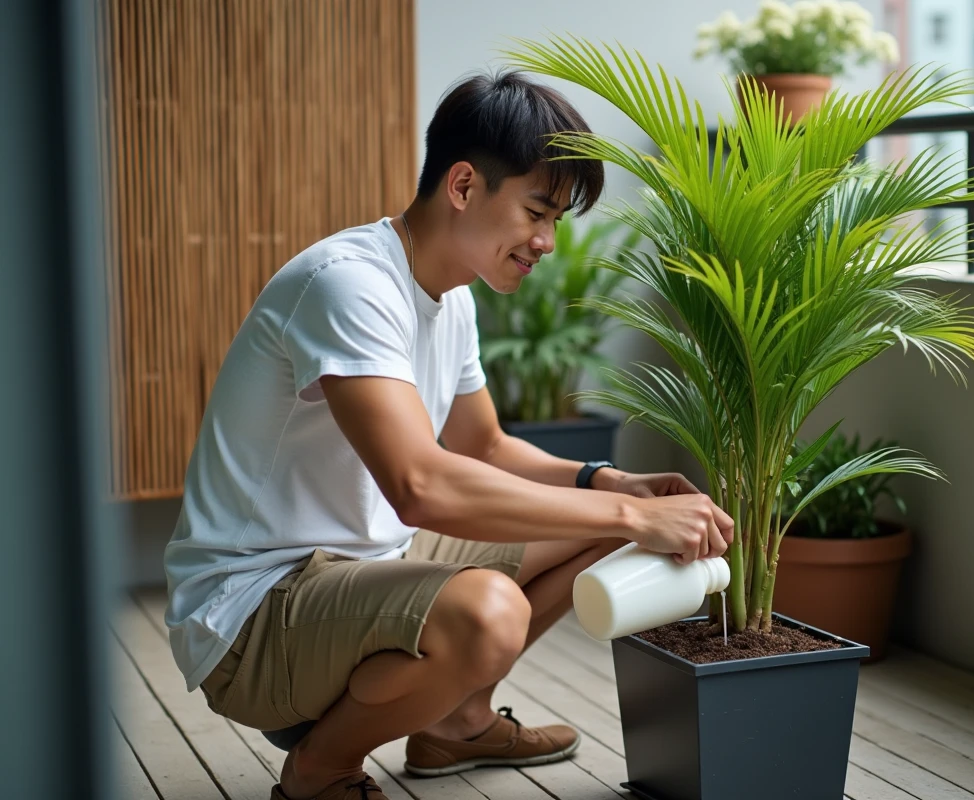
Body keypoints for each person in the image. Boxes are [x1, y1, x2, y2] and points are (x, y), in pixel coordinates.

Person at [163, 69, 733, 800]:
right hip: (252, 618)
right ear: (463, 186)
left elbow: (486, 448)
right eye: (537, 211)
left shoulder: (451, 294)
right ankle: (321, 769)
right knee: (495, 612)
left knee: (598, 528)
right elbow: (421, 485)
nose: (547, 241)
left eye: (557, 220)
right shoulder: (350, 284)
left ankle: (457, 721)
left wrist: (611, 484)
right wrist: (635, 513)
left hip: (356, 573)